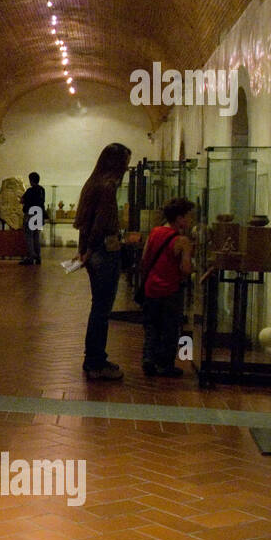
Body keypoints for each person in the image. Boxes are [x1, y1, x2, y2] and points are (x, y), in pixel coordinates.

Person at [73, 142, 132, 380]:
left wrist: (83, 250)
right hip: (104, 251)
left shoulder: (93, 183)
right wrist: (88, 249)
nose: (126, 168)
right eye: (125, 163)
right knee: (101, 309)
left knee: (98, 307)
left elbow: (85, 223)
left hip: (94, 252)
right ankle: (95, 361)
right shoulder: (108, 187)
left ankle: (95, 358)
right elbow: (99, 224)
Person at [141, 197, 195, 376]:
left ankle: (148, 358)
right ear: (179, 218)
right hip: (171, 289)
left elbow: (144, 258)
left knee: (152, 326)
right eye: (188, 216)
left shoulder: (155, 232)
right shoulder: (182, 241)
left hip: (151, 287)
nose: (190, 220)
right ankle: (165, 365)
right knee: (170, 329)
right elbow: (185, 268)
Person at [20, 171, 46, 264]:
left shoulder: (30, 191)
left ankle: (31, 257)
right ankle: (38, 256)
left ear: (31, 180)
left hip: (31, 214)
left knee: (29, 237)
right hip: (39, 214)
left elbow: (22, 200)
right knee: (36, 236)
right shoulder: (42, 190)